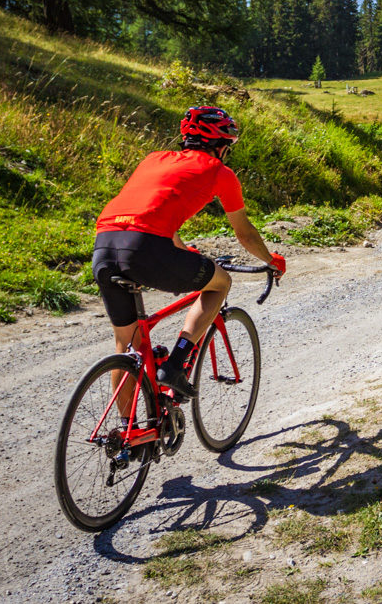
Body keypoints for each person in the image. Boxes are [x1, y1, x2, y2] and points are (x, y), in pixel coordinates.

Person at [91, 105, 285, 400]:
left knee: (127, 345)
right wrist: (271, 261)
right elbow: (244, 234)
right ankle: (176, 365)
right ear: (220, 146)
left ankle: (128, 440)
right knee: (220, 283)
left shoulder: (153, 159)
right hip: (146, 249)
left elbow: (152, 217)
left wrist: (183, 251)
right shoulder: (220, 172)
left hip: (104, 245)